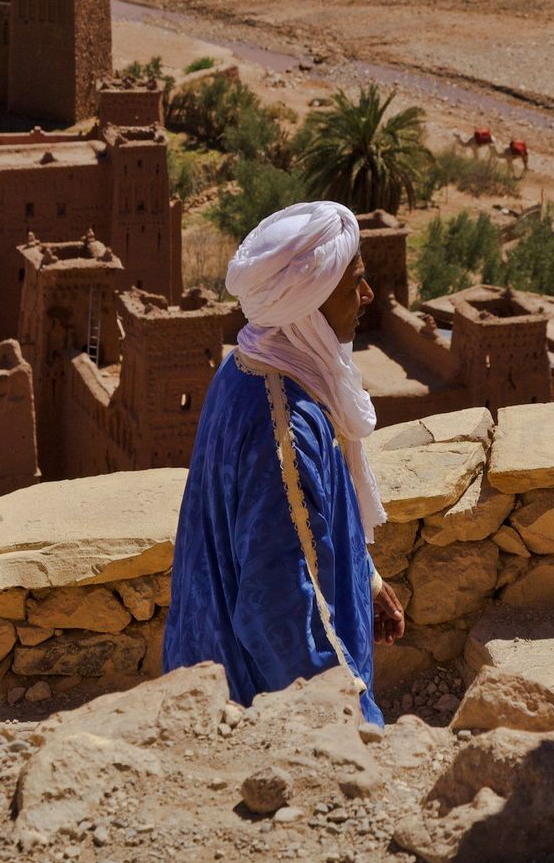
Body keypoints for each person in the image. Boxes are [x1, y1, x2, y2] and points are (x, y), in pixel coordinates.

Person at [165, 202, 404, 724]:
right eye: (354, 285)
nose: (367, 296)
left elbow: (306, 528)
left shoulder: (250, 365)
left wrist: (367, 580)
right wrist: (353, 722)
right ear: (310, 305)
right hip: (257, 704)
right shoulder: (285, 428)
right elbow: (279, 613)